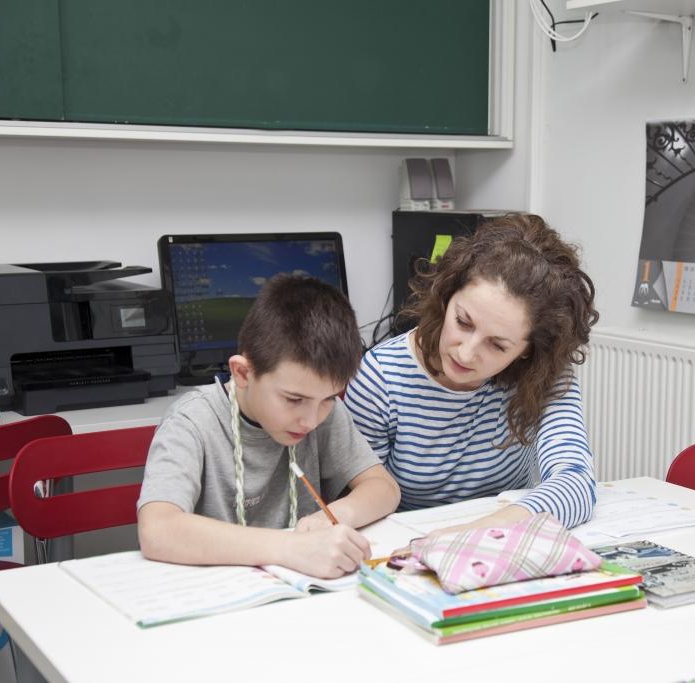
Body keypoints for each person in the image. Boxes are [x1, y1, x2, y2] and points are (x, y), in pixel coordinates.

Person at [344, 213, 598, 530]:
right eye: (463, 322)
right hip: (405, 544)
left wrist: (480, 530)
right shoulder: (381, 376)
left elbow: (575, 482)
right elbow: (365, 494)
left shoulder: (543, 375)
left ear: (528, 351)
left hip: (501, 536)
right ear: (447, 296)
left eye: (497, 345)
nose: (466, 352)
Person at [137, 274, 400, 578]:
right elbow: (158, 530)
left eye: (328, 398)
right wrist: (291, 548)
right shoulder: (192, 421)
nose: (311, 420)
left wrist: (336, 516)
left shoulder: (324, 411)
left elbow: (384, 488)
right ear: (243, 373)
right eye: (293, 399)